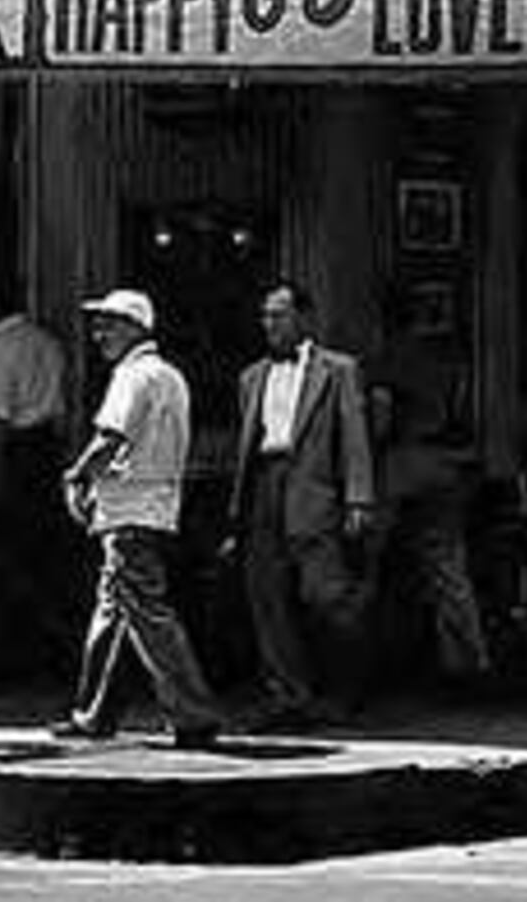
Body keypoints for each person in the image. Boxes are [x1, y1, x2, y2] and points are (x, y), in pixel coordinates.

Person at [53, 287, 227, 749]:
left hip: (130, 509)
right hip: (150, 507)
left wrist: (76, 475)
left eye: (109, 323)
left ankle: (194, 713)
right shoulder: (169, 376)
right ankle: (95, 712)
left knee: (147, 612)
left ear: (135, 328)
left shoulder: (134, 375)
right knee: (114, 611)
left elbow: (110, 437)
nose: (98, 333)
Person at [226, 280, 375, 729]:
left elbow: (354, 434)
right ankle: (287, 695)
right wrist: (237, 514)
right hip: (264, 486)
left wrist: (358, 497)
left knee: (325, 596)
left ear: (304, 318)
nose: (269, 323)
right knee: (267, 597)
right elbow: (246, 447)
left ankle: (343, 692)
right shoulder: (251, 376)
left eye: (279, 314)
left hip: (313, 486)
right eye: (266, 315)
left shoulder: (338, 369)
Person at [370, 377, 492, 691]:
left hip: (403, 461)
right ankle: (467, 660)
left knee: (370, 562)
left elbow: (380, 417)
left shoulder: (394, 358)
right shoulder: (455, 356)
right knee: (448, 567)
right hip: (449, 462)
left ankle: (360, 660)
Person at [0, 303, 75, 669]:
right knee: (43, 553)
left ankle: (11, 650)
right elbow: (62, 413)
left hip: (18, 453)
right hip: (46, 449)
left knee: (9, 554)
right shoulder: (49, 342)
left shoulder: (2, 344)